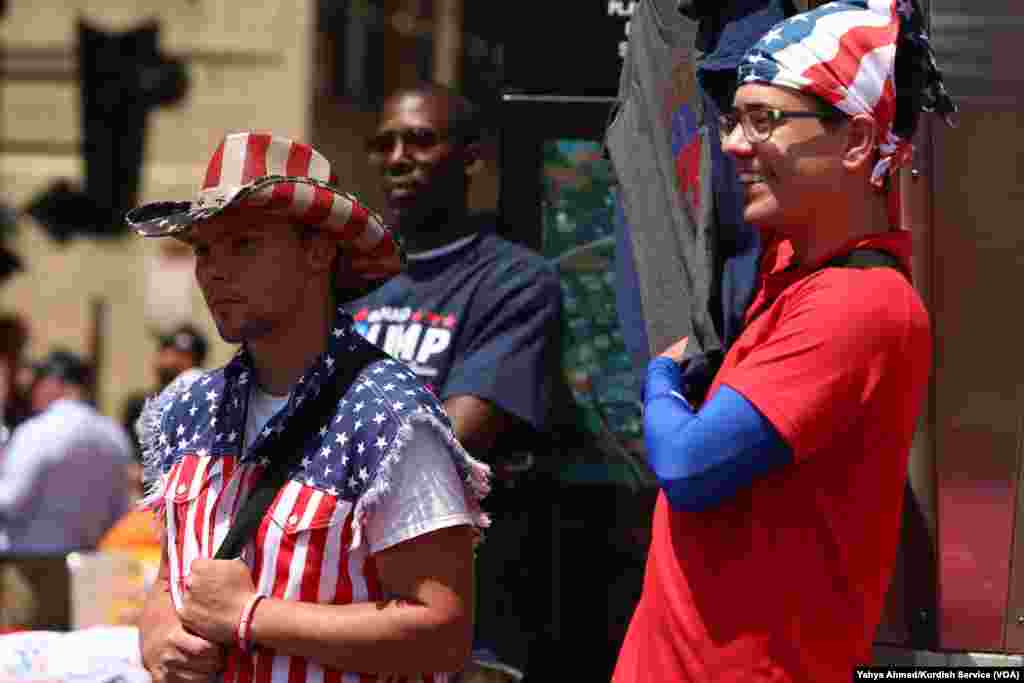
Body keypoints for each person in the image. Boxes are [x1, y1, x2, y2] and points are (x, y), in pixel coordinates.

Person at [613, 1, 956, 681]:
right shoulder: (794, 271)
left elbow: (686, 465)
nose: (734, 144)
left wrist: (660, 377)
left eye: (764, 120)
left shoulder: (857, 306)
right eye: (734, 119)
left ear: (856, 142)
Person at [126, 131, 490, 683]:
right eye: (204, 249)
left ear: (317, 251)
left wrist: (253, 616)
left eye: (243, 245)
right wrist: (159, 639)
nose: (214, 271)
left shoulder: (388, 419)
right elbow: (169, 580)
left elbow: (441, 633)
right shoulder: (189, 410)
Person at [353, 82, 562, 677]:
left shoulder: (515, 282)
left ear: (472, 158)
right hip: (350, 605)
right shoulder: (348, 284)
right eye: (384, 142)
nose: (397, 157)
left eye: (420, 140)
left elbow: (445, 447)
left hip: (470, 624)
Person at [0, 349, 134, 631]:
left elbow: (10, 500)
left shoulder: (37, 430)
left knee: (26, 661)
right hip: (88, 568)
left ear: (55, 383)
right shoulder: (112, 435)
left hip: (30, 570)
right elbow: (121, 511)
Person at [121, 323, 209, 462]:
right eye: (165, 350)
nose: (169, 359)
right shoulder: (138, 404)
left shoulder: (207, 405)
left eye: (181, 353)